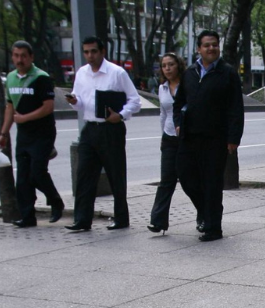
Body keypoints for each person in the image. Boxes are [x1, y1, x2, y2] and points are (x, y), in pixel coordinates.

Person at [64, 36, 141, 232]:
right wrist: (74, 101)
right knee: (84, 175)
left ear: (102, 52)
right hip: (90, 128)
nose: (90, 56)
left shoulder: (117, 73)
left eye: (93, 51)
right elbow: (80, 102)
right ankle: (82, 219)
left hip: (111, 128)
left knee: (115, 174)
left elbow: (135, 101)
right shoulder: (82, 73)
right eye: (86, 52)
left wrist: (121, 115)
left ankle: (121, 217)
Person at [175, 30, 244, 242]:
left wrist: (233, 138)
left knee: (212, 183)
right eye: (207, 45)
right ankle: (205, 212)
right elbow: (178, 103)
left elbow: (235, 108)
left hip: (216, 139)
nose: (211, 48)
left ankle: (214, 228)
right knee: (187, 178)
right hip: (190, 137)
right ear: (199, 49)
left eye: (214, 45)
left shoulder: (228, 73)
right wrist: (178, 123)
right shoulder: (189, 73)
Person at [0, 40, 64, 228]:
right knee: (23, 177)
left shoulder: (41, 78)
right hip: (23, 135)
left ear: (31, 57)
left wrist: (25, 118)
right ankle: (27, 216)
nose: (20, 60)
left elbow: (48, 107)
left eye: (23, 56)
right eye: (16, 56)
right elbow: (10, 107)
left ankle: (55, 201)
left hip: (43, 133)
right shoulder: (10, 78)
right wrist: (4, 133)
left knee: (37, 172)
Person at [148, 52, 191, 234]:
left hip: (187, 137)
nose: (167, 68)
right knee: (166, 180)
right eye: (164, 65)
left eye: (171, 64)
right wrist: (162, 136)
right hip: (169, 138)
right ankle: (158, 221)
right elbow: (163, 114)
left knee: (190, 180)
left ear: (178, 66)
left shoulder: (188, 85)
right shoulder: (162, 88)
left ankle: (204, 216)